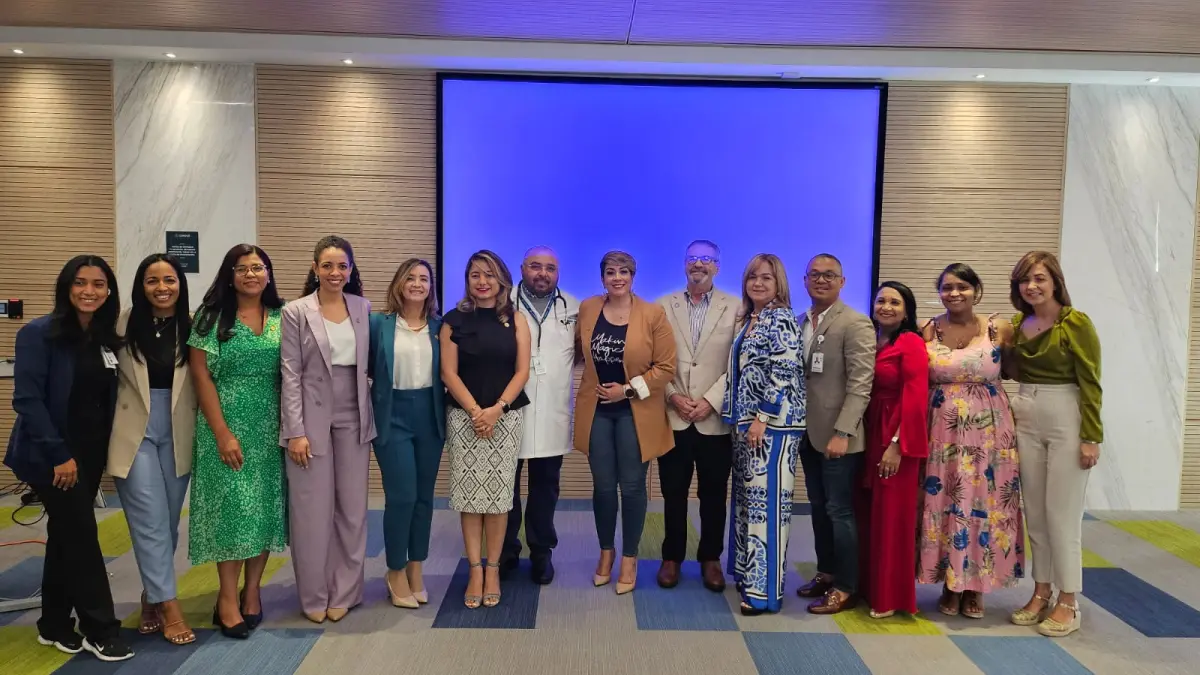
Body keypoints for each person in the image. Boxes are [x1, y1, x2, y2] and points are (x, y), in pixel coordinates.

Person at [4, 255, 133, 662]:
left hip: (90, 454)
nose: (89, 291)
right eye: (80, 282)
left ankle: (54, 624)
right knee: (81, 536)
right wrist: (59, 454)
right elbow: (27, 400)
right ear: (66, 286)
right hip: (51, 454)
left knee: (65, 535)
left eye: (98, 284)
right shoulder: (38, 333)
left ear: (108, 292)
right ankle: (100, 629)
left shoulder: (103, 337)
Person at [188, 244, 287, 639]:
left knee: (262, 511)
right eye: (242, 268)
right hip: (225, 425)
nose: (251, 275)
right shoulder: (209, 317)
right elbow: (200, 375)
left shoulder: (282, 316)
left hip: (270, 427)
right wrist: (223, 433)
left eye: (258, 267)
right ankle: (227, 598)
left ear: (268, 274)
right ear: (229, 276)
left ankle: (252, 592)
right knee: (232, 514)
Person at [919, 263, 1024, 619]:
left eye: (962, 286)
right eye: (947, 287)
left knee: (984, 501)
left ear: (976, 290)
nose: (954, 293)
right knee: (947, 501)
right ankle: (951, 583)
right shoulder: (927, 329)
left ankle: (977, 585)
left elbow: (1015, 371)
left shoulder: (998, 328)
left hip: (989, 431)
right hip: (941, 430)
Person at [1006, 251, 1102, 638]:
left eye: (1039, 278)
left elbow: (1091, 383)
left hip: (1066, 414)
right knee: (1036, 513)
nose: (1032, 286)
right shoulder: (1017, 324)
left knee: (1062, 515)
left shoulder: (1075, 323)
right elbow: (1010, 370)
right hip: (1025, 411)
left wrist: (1091, 437)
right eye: (1025, 280)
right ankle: (1041, 591)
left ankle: (1069, 599)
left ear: (1055, 282)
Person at [280, 236, 375, 623]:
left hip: (355, 416)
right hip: (310, 420)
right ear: (315, 268)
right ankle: (314, 595)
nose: (335, 273)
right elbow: (290, 373)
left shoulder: (362, 307)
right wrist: (295, 431)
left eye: (342, 266)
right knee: (311, 512)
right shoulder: (296, 311)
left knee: (352, 510)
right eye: (328, 266)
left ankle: (346, 592)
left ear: (351, 270)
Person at [107, 253, 197, 645]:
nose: (162, 287)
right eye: (152, 280)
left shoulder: (194, 325)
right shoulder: (121, 323)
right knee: (149, 520)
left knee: (168, 521)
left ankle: (152, 596)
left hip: (179, 428)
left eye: (169, 279)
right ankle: (170, 607)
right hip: (133, 429)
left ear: (180, 284)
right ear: (141, 286)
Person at [575, 251, 676, 595]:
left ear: (633, 276)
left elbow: (666, 367)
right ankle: (606, 552)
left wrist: (628, 390)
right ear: (602, 277)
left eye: (624, 272)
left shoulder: (652, 314)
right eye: (610, 272)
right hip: (597, 411)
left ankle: (630, 557)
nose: (617, 277)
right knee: (603, 487)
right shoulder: (588, 308)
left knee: (632, 487)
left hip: (636, 411)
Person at [441, 250, 531, 609]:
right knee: (469, 497)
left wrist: (496, 410)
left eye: (489, 275)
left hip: (505, 418)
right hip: (464, 418)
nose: (482, 281)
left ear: (502, 280)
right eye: (475, 275)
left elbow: (522, 371)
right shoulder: (453, 321)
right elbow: (448, 373)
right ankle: (475, 570)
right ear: (467, 280)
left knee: (498, 498)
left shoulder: (516, 319)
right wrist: (476, 412)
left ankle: (493, 569)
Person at [723, 254, 806, 615]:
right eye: (752, 277)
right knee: (748, 504)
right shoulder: (752, 318)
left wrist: (763, 417)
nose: (758, 283)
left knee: (766, 509)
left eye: (766, 278)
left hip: (773, 428)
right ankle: (748, 576)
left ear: (779, 283)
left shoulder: (781, 317)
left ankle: (763, 594)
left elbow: (784, 370)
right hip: (748, 426)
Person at [796, 254, 876, 615]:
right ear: (804, 280)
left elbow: (861, 384)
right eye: (814, 274)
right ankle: (826, 572)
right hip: (807, 433)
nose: (821, 280)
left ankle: (846, 587)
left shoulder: (855, 323)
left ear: (842, 282)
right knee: (818, 507)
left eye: (829, 275)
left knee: (839, 511)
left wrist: (843, 431)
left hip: (839, 437)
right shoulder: (800, 321)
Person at [656, 239, 737, 592]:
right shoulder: (662, 306)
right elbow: (653, 359)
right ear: (684, 264)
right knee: (673, 492)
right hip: (673, 414)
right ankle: (671, 556)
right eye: (693, 258)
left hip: (713, 418)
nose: (699, 264)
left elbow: (738, 363)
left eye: (706, 259)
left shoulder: (735, 308)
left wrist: (710, 400)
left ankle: (710, 558)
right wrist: (672, 396)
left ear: (717, 266)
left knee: (714, 494)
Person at [501, 246, 580, 585]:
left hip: (552, 410)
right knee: (506, 486)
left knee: (545, 488)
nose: (542, 273)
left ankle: (541, 552)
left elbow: (582, 353)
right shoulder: (503, 303)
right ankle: (506, 551)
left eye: (550, 268)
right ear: (522, 269)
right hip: (509, 409)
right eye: (535, 266)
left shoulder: (573, 307)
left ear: (557, 273)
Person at [369, 258, 445, 608]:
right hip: (392, 416)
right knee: (401, 496)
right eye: (410, 277)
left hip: (429, 417)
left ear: (431, 287)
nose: (417, 284)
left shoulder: (440, 327)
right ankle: (395, 569)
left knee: (424, 498)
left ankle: (416, 567)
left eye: (424, 279)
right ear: (399, 283)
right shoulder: (378, 325)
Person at [859, 281, 928, 618]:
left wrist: (897, 445)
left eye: (895, 302)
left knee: (891, 517)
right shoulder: (869, 338)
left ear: (906, 311)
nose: (886, 307)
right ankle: (867, 587)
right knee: (867, 513)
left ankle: (890, 597)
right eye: (881, 300)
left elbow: (915, 395)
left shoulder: (911, 341)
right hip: (868, 429)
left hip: (896, 433)